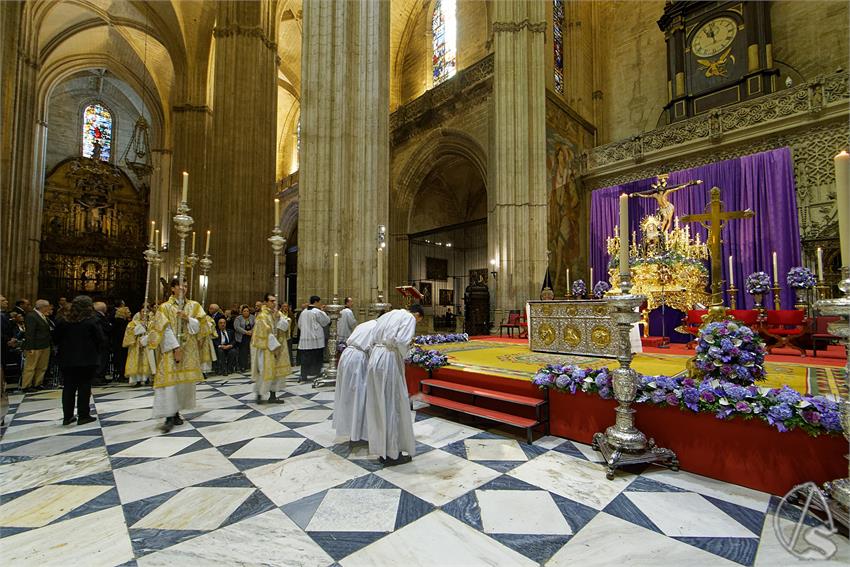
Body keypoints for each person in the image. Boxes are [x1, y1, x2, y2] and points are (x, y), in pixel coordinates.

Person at [147, 277, 210, 432]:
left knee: (182, 384)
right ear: (173, 288)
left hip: (189, 350)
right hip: (171, 350)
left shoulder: (194, 305)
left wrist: (188, 318)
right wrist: (176, 348)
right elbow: (164, 329)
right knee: (169, 383)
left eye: (186, 286)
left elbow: (203, 326)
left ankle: (176, 412)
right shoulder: (165, 307)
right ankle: (169, 416)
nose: (184, 289)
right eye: (181, 286)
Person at [365, 304, 424, 465]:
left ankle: (382, 449)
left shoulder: (388, 315)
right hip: (389, 358)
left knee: (379, 405)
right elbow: (403, 341)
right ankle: (393, 453)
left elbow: (372, 338)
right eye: (418, 321)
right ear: (417, 315)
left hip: (376, 357)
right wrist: (409, 353)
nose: (416, 323)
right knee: (393, 404)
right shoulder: (408, 317)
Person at [54, 295, 106, 425]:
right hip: (87, 359)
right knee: (84, 386)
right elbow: (100, 339)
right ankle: (83, 415)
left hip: (67, 359)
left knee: (68, 387)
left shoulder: (63, 321)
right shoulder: (92, 321)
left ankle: (67, 416)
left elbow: (55, 339)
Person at [333, 318, 379, 442]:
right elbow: (374, 349)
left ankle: (350, 428)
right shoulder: (377, 327)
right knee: (359, 394)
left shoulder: (364, 324)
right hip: (358, 358)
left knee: (346, 394)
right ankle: (357, 432)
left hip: (347, 355)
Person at [251, 293, 286, 404]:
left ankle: (273, 396)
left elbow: (285, 324)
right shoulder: (262, 316)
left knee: (276, 373)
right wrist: (274, 347)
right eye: (271, 301)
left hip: (277, 347)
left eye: (275, 301)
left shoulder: (277, 313)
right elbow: (264, 332)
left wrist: (279, 319)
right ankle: (259, 394)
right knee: (264, 372)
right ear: (265, 302)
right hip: (266, 348)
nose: (274, 303)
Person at [21, 299, 52, 391]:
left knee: (42, 366)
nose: (49, 308)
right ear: (43, 307)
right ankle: (26, 385)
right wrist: (30, 347)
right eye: (48, 306)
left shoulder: (43, 316)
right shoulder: (31, 316)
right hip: (34, 346)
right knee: (30, 367)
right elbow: (30, 333)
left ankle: (37, 383)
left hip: (45, 345)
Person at [297, 295, 330, 382]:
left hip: (305, 339)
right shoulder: (317, 312)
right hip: (316, 340)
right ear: (316, 302)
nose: (320, 304)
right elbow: (326, 321)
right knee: (317, 357)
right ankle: (316, 373)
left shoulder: (304, 312)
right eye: (320, 302)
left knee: (305, 359)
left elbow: (299, 325)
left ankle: (303, 375)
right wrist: (323, 311)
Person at [123, 306, 154, 387]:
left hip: (147, 344)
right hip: (136, 346)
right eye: (143, 311)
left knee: (148, 361)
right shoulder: (133, 323)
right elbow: (129, 332)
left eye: (147, 311)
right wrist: (140, 326)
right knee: (136, 361)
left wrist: (146, 338)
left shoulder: (152, 323)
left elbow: (154, 332)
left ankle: (147, 379)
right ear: (140, 313)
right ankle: (136, 380)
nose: (145, 313)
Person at [93, 301, 112, 384]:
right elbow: (107, 327)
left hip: (101, 342)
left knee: (103, 359)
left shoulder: (97, 316)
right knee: (101, 359)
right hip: (101, 342)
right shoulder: (98, 317)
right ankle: (98, 378)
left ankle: (101, 376)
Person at [111, 305, 131, 382]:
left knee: (120, 359)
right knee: (122, 359)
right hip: (121, 344)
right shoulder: (122, 323)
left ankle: (121, 375)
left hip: (117, 344)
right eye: (128, 312)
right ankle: (121, 375)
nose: (130, 313)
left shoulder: (117, 322)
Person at [234, 305, 255, 372]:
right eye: (244, 311)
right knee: (243, 352)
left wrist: (251, 331)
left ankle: (251, 366)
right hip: (242, 337)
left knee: (251, 350)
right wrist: (246, 332)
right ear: (242, 312)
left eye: (247, 311)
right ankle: (242, 366)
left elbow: (256, 325)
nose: (246, 312)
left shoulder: (253, 317)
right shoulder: (238, 318)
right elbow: (237, 327)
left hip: (251, 336)